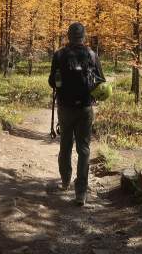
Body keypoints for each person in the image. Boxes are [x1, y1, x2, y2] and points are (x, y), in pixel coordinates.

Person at [48, 22, 105, 206]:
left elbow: (51, 82)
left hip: (65, 108)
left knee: (65, 145)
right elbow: (101, 82)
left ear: (68, 36)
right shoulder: (91, 55)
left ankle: (65, 181)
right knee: (84, 149)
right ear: (84, 36)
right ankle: (81, 193)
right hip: (85, 109)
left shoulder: (59, 55)